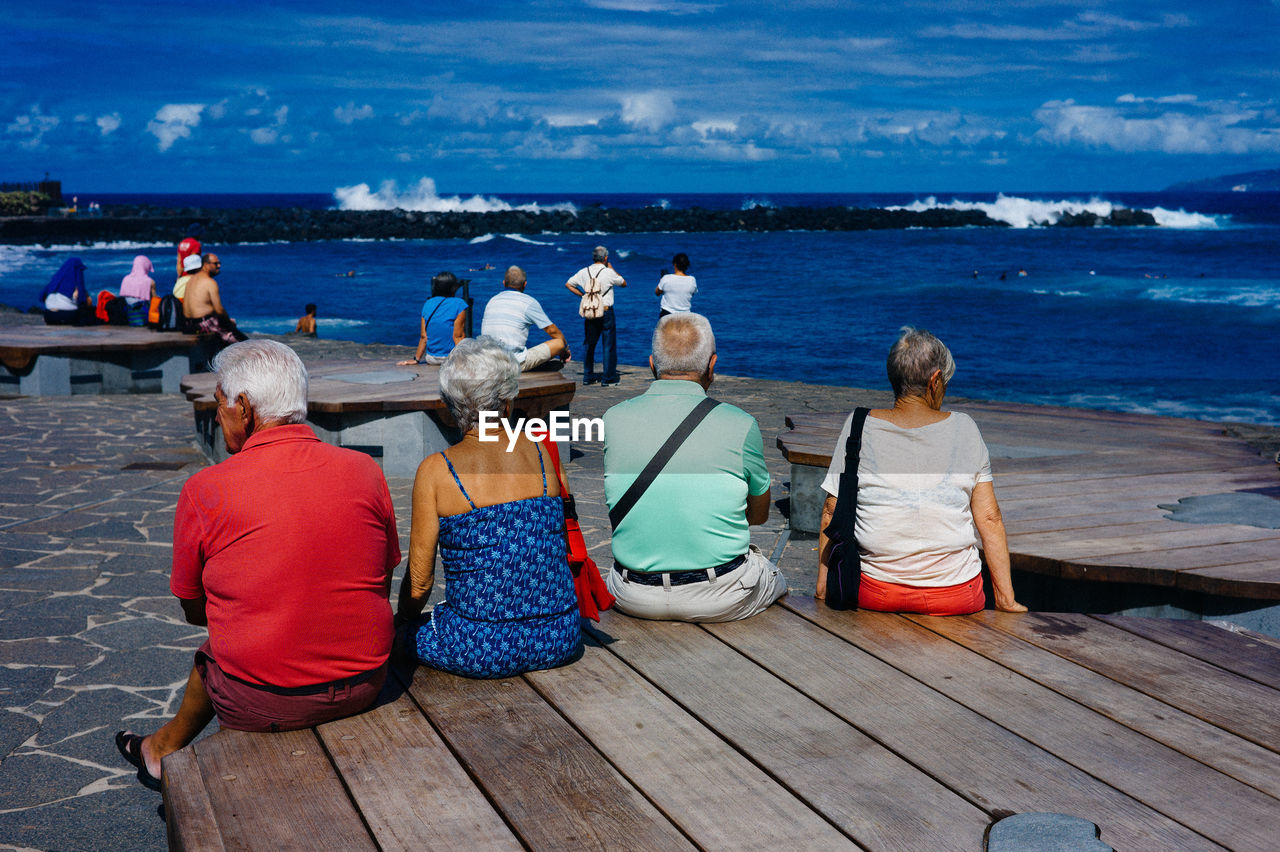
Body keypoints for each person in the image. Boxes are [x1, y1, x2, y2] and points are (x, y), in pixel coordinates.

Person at [113, 340, 400, 791]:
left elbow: (194, 607)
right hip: (366, 682)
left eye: (219, 404)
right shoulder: (364, 469)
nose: (217, 414)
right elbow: (381, 575)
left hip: (268, 701)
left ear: (243, 407)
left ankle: (159, 752)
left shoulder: (207, 489)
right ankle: (158, 750)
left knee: (219, 651)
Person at [396, 336, 581, 678]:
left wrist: (403, 623)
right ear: (508, 402)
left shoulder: (437, 470)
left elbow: (420, 584)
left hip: (481, 647)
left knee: (403, 634)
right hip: (560, 635)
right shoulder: (541, 452)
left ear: (450, 406)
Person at [816, 327, 1027, 616]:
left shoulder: (859, 425)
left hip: (875, 591)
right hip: (956, 595)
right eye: (946, 382)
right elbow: (989, 518)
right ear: (935, 380)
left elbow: (831, 509)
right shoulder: (965, 428)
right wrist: (1005, 598)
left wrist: (823, 587)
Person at [603, 313, 787, 621]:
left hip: (633, 592)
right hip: (721, 595)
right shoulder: (741, 424)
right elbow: (759, 514)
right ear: (712, 367)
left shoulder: (613, 418)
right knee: (774, 576)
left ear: (651, 364)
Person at [480, 266, 569, 371]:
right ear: (525, 284)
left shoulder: (492, 300)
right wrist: (565, 350)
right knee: (559, 343)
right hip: (511, 365)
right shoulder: (528, 302)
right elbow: (553, 331)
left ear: (504, 283)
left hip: (488, 362)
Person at [565, 245, 626, 385]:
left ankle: (588, 376)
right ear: (605, 258)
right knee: (608, 345)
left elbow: (568, 284)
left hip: (590, 311)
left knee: (589, 344)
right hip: (605, 311)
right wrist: (611, 268)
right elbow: (623, 283)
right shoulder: (608, 272)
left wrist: (583, 296)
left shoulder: (583, 271)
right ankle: (608, 378)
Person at [396, 272, 469, 366]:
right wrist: (465, 360)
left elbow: (423, 336)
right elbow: (458, 335)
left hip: (431, 358)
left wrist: (416, 359)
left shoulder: (428, 303)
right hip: (451, 359)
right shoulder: (459, 304)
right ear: (454, 287)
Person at [183, 254, 247, 346]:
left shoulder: (191, 280)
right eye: (215, 263)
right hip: (203, 324)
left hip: (189, 324)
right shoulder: (209, 282)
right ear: (205, 265)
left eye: (219, 263)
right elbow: (219, 310)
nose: (219, 266)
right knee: (242, 344)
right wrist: (229, 322)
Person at [38, 257, 96, 325]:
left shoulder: (54, 281)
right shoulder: (76, 282)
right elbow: (82, 299)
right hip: (68, 317)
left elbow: (41, 297)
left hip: (49, 317)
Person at [655, 252, 697, 318]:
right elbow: (692, 294)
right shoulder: (692, 280)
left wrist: (661, 280)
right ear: (687, 265)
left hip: (667, 314)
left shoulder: (666, 278)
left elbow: (657, 293)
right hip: (685, 316)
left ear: (675, 264)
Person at [118, 255, 157, 327]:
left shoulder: (125, 279)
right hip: (143, 313)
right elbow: (154, 301)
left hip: (129, 314)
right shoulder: (150, 281)